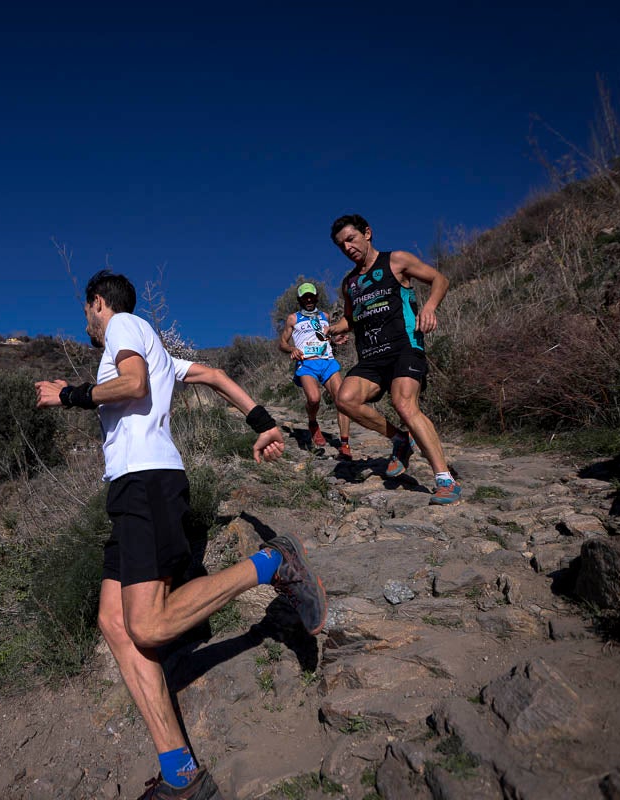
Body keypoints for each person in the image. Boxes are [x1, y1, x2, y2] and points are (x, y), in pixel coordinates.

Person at [35, 270, 327, 799]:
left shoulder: (122, 323)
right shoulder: (158, 348)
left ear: (96, 303)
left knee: (145, 628)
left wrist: (69, 394)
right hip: (134, 488)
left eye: (87, 313)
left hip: (147, 482)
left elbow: (132, 385)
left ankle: (272, 563)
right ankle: (181, 774)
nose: (89, 323)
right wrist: (262, 421)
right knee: (115, 624)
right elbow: (215, 375)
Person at [325, 214, 462, 504]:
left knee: (404, 404)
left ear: (367, 233)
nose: (347, 247)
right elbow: (351, 318)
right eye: (341, 245)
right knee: (345, 399)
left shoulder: (396, 260)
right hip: (372, 356)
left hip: (404, 347)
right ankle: (400, 439)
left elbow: (440, 279)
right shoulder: (349, 283)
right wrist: (335, 329)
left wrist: (430, 308)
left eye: (351, 239)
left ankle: (444, 479)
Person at [277, 282, 352, 457]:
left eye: (311, 296)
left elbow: (323, 337)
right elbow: (282, 343)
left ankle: (345, 445)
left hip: (327, 362)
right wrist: (292, 349)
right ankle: (312, 423)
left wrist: (335, 340)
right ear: (300, 300)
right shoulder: (293, 319)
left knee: (342, 400)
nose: (309, 300)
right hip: (307, 364)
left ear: (317, 297)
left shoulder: (324, 316)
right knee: (314, 398)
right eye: (305, 297)